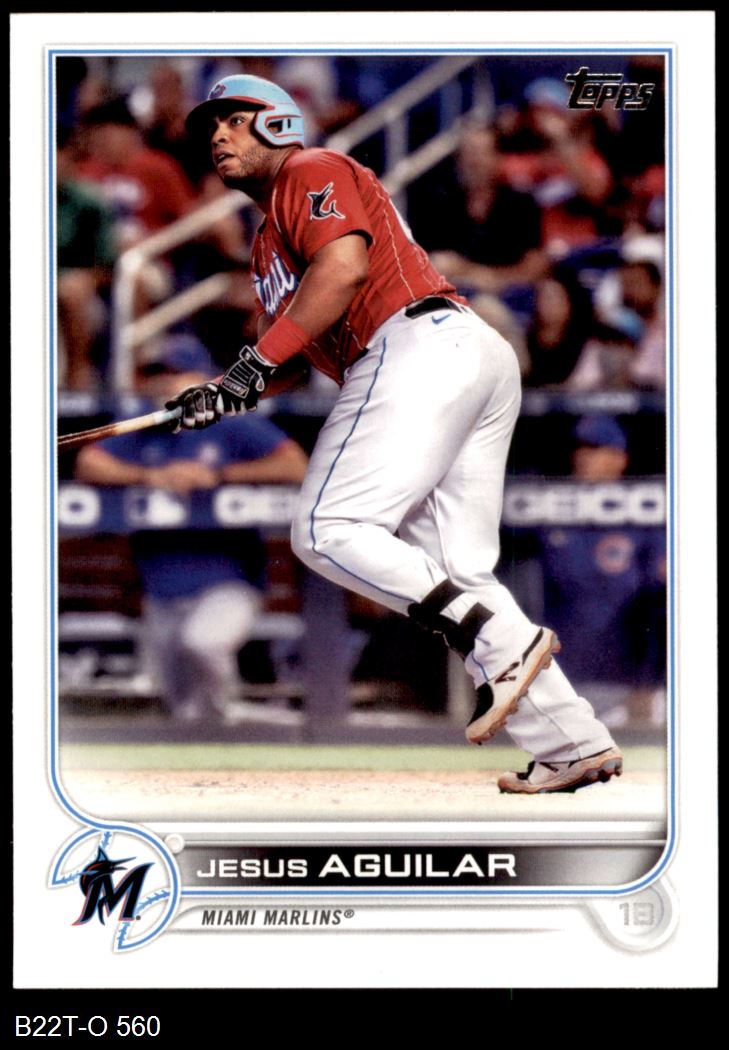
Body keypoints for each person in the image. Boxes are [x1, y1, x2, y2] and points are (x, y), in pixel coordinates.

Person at [166, 74, 622, 792]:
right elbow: (289, 355)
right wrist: (224, 392)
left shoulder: (308, 169)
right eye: (210, 127)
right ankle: (573, 743)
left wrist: (251, 367)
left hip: (416, 343)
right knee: (459, 568)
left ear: (278, 123)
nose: (218, 135)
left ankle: (499, 638)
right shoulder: (267, 246)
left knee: (326, 527)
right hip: (449, 356)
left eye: (234, 119)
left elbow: (344, 270)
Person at [75, 334, 308, 722]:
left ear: (204, 378)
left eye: (176, 372)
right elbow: (88, 462)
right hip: (160, 589)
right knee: (176, 700)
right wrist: (152, 476)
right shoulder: (144, 428)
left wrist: (219, 475)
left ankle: (226, 729)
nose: (164, 382)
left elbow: (294, 465)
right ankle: (210, 742)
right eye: (155, 373)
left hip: (229, 581)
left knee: (204, 644)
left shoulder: (232, 424)